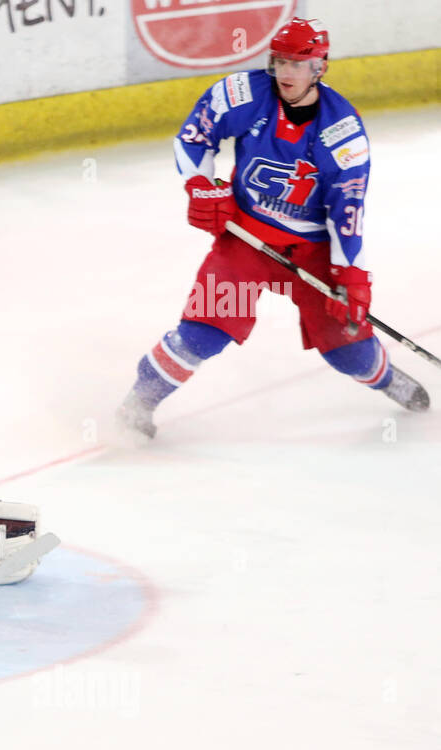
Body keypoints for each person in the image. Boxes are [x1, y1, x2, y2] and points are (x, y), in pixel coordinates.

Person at [117, 17, 428, 439]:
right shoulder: (243, 94)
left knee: (350, 352)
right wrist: (203, 186)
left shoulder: (342, 133)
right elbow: (194, 138)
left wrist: (351, 277)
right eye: (279, 61)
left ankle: (388, 378)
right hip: (247, 237)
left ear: (320, 67)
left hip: (314, 249)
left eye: (297, 64)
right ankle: (137, 405)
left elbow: (347, 213)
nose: (285, 72)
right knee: (202, 333)